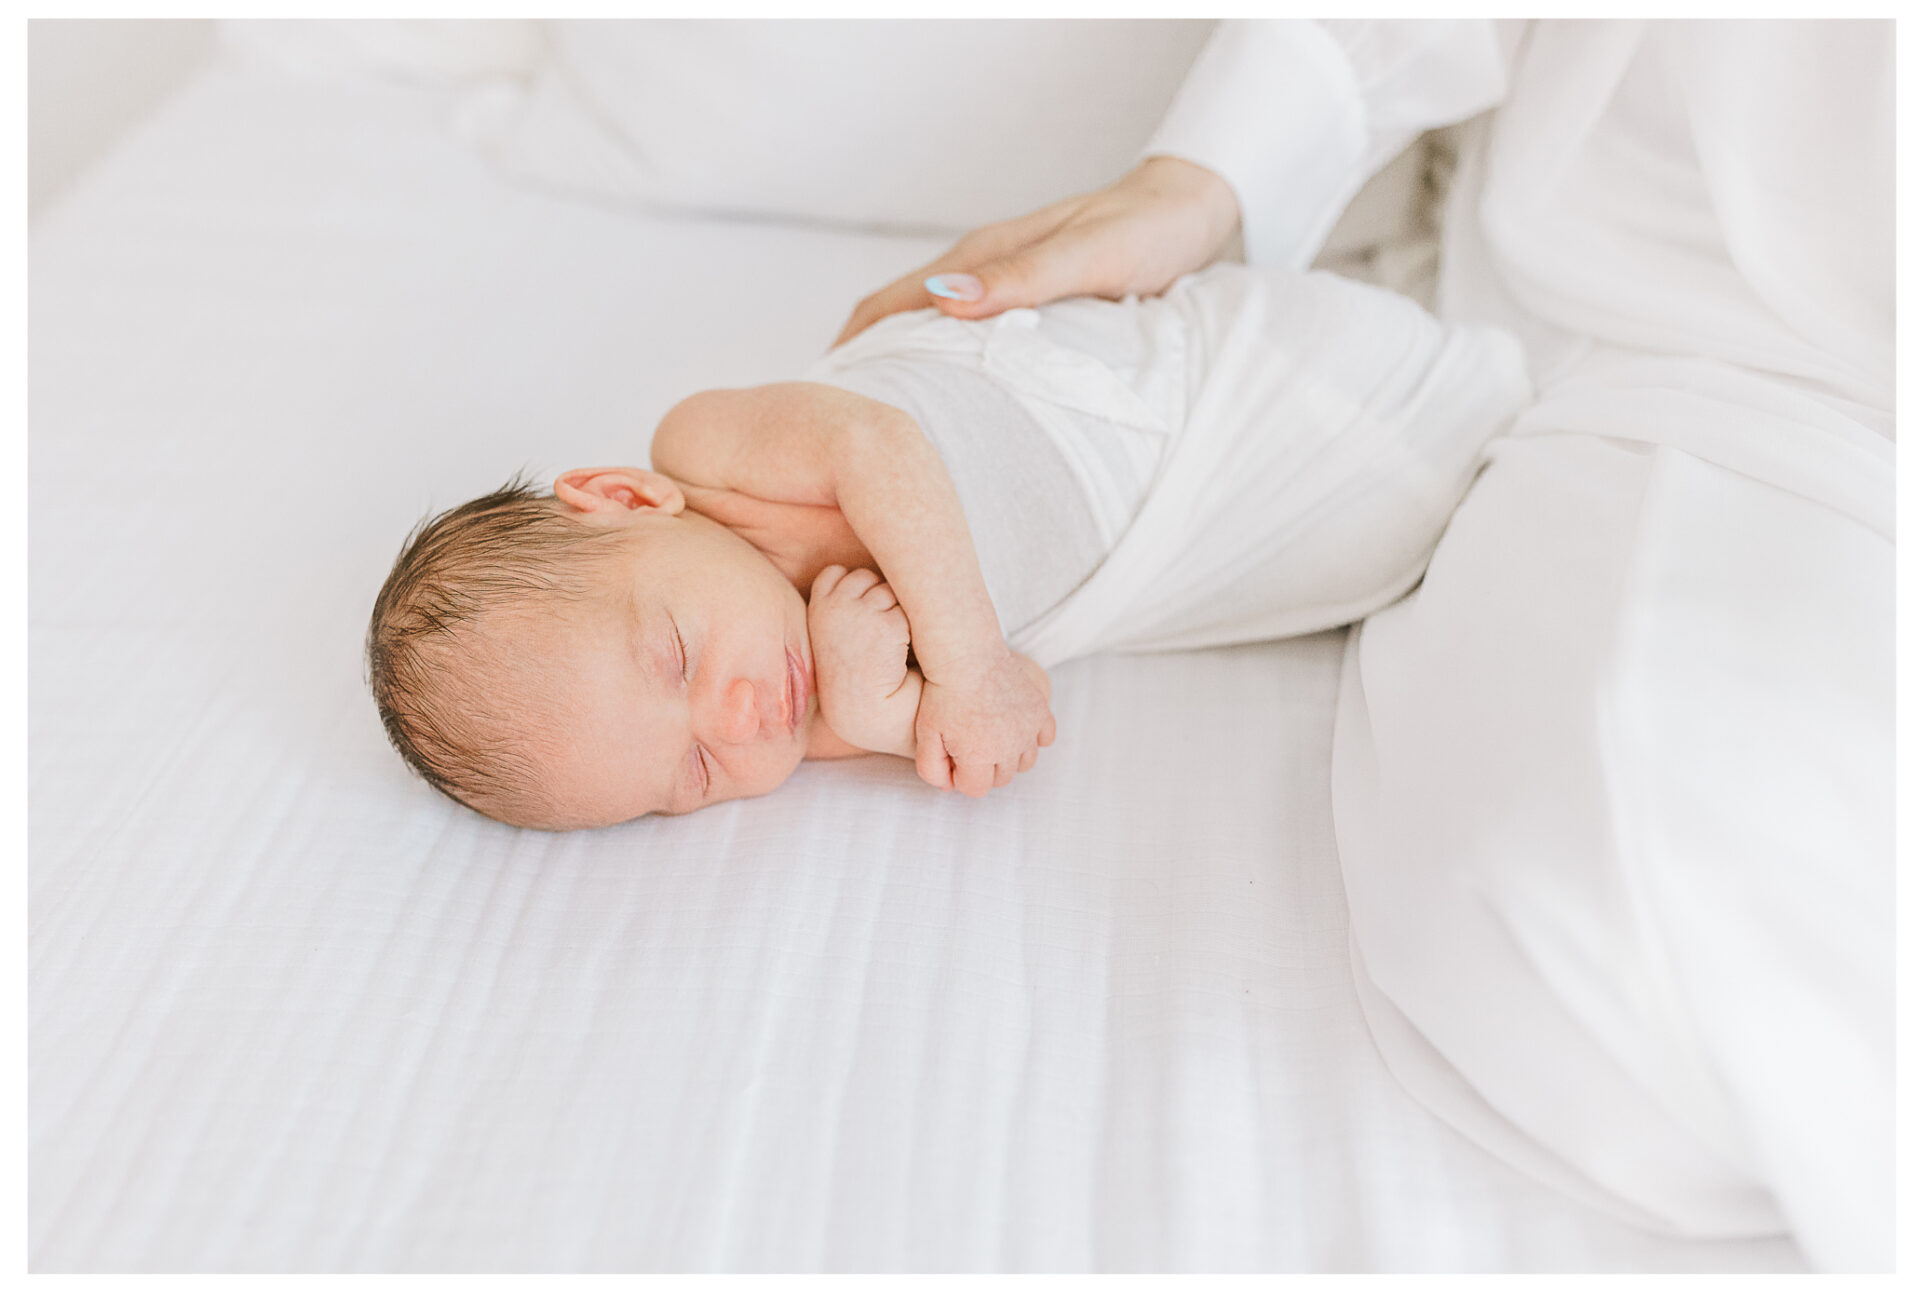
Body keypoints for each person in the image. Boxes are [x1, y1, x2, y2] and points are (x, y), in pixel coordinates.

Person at [833, 19, 1892, 1272]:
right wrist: (1199, 180)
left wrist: (965, 668)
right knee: (1616, 911)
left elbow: (871, 453)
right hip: (1721, 341)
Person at [365, 259, 1527, 830]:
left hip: (1234, 388)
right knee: (1424, 538)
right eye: (692, 779)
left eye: (675, 659)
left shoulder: (708, 455)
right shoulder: (797, 694)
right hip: (1245, 531)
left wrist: (967, 670)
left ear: (622, 499)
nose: (739, 718)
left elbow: (886, 448)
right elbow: (899, 724)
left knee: (1442, 436)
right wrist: (877, 719)